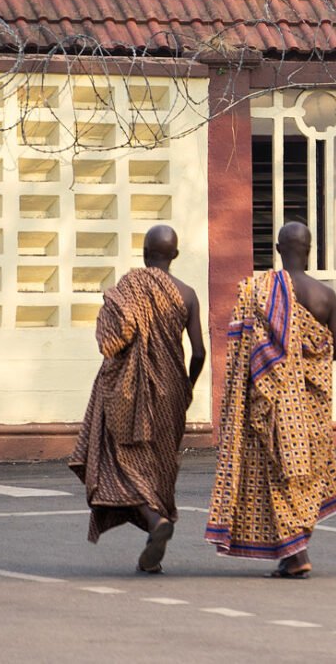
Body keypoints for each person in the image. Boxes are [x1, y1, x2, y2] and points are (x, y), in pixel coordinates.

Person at [205, 220, 336, 578]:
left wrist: (279, 361)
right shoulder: (326, 296)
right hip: (311, 407)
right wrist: (302, 356)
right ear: (309, 251)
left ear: (279, 250)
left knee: (278, 473)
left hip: (271, 400)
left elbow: (247, 349)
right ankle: (295, 549)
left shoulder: (260, 290)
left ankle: (296, 555)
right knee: (305, 473)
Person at [69, 224, 205, 574]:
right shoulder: (188, 294)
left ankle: (153, 520)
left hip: (126, 393)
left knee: (122, 463)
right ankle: (154, 532)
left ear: (144, 254)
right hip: (172, 394)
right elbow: (200, 352)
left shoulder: (129, 288)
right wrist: (186, 388)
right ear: (174, 255)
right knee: (158, 468)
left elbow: (111, 338)